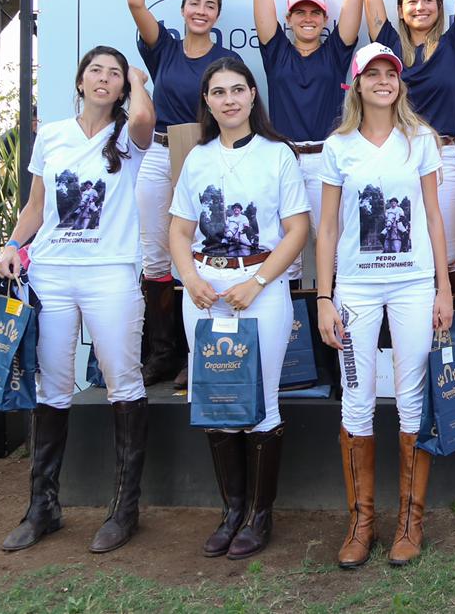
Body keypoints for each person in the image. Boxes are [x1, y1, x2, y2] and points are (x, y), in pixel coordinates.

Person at [0, 47, 154, 554]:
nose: (104, 79)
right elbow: (36, 205)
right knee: (53, 386)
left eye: (114, 74)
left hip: (110, 272)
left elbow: (145, 119)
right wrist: (13, 245)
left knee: (123, 382)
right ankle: (43, 507)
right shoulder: (53, 135)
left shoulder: (127, 137)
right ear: (80, 80)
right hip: (52, 273)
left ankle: (124, 510)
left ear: (122, 86)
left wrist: (138, 80)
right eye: (95, 71)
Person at [315, 42, 453, 569]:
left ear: (399, 82)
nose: (382, 81)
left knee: (412, 396)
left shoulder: (419, 141)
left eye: (389, 73)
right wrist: (324, 296)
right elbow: (328, 227)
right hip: (356, 289)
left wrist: (443, 287)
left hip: (413, 284)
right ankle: (361, 523)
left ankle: (410, 522)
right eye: (371, 73)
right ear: (356, 84)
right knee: (357, 396)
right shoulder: (338, 146)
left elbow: (434, 218)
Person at [167, 57, 310, 560]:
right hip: (204, 292)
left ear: (252, 95)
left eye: (237, 89)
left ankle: (259, 516)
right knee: (218, 401)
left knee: (260, 401)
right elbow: (179, 229)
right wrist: (190, 278)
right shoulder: (198, 158)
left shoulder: (278, 155)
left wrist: (257, 282)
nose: (229, 99)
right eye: (218, 92)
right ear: (207, 102)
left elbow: (297, 230)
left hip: (260, 289)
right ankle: (231, 511)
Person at [363, 0, 455, 384]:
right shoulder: (388, 47)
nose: (420, 7)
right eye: (412, 1)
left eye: (428, 0)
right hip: (394, 159)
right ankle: (400, 358)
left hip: (443, 156)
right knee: (396, 253)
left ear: (438, 6)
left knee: (448, 257)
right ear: (401, 10)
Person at [125, 0, 231, 388]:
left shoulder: (226, 62)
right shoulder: (163, 48)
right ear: (184, 9)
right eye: (194, 3)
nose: (201, 11)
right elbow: (135, 1)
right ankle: (162, 353)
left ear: (217, 16)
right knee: (156, 257)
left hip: (203, 155)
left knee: (201, 253)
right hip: (159, 153)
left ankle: (194, 353)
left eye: (210, 5)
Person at [253, 0, 364, 284]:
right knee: (285, 259)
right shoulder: (276, 52)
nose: (307, 18)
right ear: (288, 19)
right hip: (281, 160)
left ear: (325, 19)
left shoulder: (335, 53)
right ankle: (291, 323)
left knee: (334, 253)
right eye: (299, 12)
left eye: (315, 12)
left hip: (325, 160)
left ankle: (336, 320)